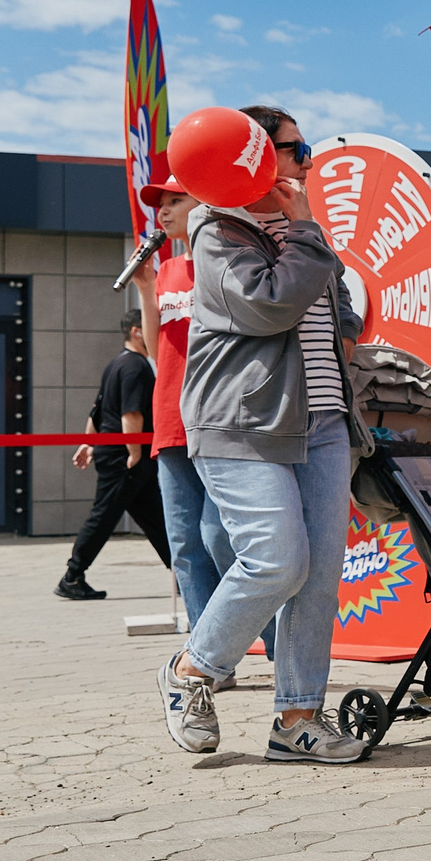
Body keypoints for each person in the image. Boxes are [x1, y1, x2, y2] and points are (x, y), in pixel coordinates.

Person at [159, 106, 366, 765]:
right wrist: (306, 232)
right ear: (252, 155)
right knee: (277, 560)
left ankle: (298, 718)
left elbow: (342, 308)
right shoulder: (217, 231)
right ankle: (193, 668)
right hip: (243, 422)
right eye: (294, 148)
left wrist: (337, 310)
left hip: (322, 422)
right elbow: (269, 303)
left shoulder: (298, 229)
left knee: (319, 577)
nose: (307, 160)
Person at [128, 155, 257, 674]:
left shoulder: (222, 261)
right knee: (183, 544)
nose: (163, 212)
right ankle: (209, 662)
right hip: (169, 420)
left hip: (217, 418)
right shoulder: (165, 271)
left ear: (202, 205)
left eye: (174, 200)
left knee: (220, 537)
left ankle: (269, 639)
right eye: (159, 204)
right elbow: (156, 348)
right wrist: (144, 288)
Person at [56, 311, 169, 601]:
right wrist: (134, 454)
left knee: (157, 519)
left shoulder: (117, 363)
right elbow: (131, 413)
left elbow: (97, 410)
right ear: (136, 331)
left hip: (117, 452)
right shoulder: (136, 367)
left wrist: (88, 443)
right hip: (125, 457)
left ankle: (185, 575)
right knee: (104, 516)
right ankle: (72, 576)